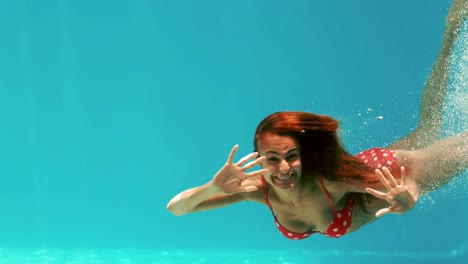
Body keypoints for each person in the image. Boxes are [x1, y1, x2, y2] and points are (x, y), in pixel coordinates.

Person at [166, 1, 468, 240]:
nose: (283, 168)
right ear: (258, 159)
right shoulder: (255, 188)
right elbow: (177, 208)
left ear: (303, 156)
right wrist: (211, 187)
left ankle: (452, 30)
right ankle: (452, 29)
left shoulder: (328, 179)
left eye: (292, 156)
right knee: (427, 129)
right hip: (360, 173)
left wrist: (407, 199)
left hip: (383, 169)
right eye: (272, 159)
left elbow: (406, 186)